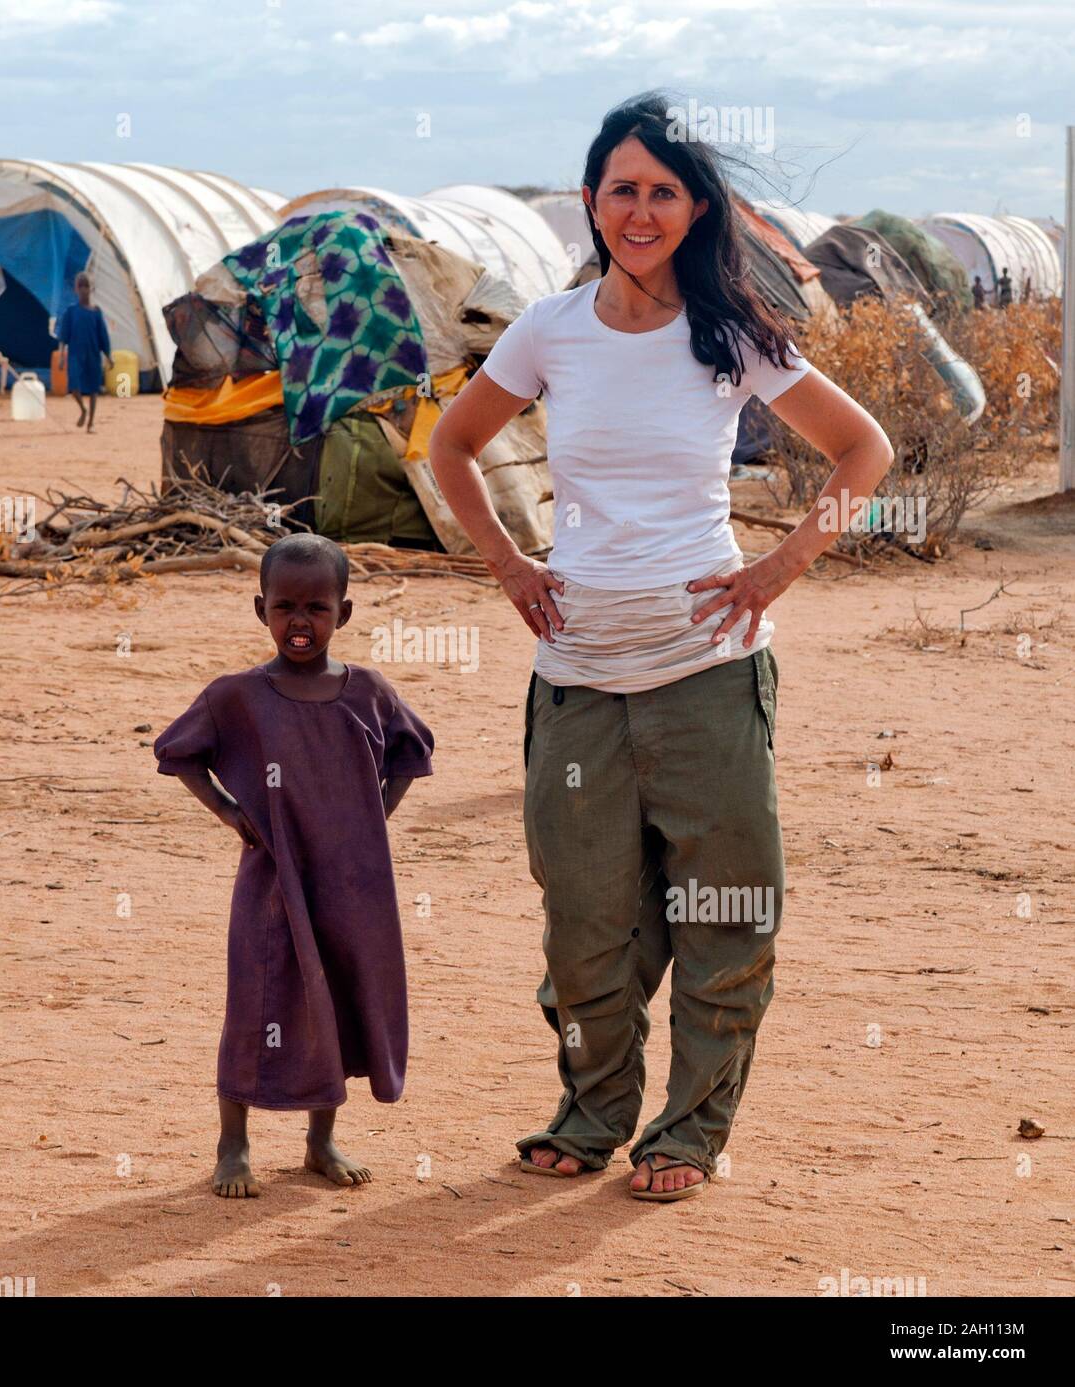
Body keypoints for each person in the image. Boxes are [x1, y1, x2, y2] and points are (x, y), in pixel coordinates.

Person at [430, 92, 894, 1203]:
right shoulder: (550, 328)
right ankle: (589, 1115)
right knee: (585, 918)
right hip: (577, 673)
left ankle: (688, 1133)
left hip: (707, 671)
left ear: (695, 209)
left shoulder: (730, 333)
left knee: (723, 907)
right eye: (621, 189)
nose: (640, 211)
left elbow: (862, 452)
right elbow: (451, 448)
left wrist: (774, 569)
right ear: (592, 202)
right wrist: (510, 564)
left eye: (663, 192)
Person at [152, 534, 434, 1197]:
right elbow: (179, 753)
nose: (299, 623)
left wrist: (372, 816)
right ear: (260, 609)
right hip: (271, 881)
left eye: (317, 608)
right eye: (284, 607)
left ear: (346, 612)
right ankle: (234, 1142)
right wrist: (230, 812)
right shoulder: (238, 697)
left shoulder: (367, 690)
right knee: (256, 997)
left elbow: (411, 753)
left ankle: (321, 1139)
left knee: (333, 997)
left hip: (350, 885)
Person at [54, 272, 112, 432]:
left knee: (94, 389)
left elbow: (103, 336)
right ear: (76, 289)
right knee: (74, 385)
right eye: (81, 286)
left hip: (93, 355)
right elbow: (63, 336)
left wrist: (108, 356)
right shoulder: (71, 312)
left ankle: (91, 423)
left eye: (86, 286)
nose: (84, 290)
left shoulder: (96, 312)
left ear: (91, 288)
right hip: (75, 355)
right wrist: (60, 357)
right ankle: (82, 409)